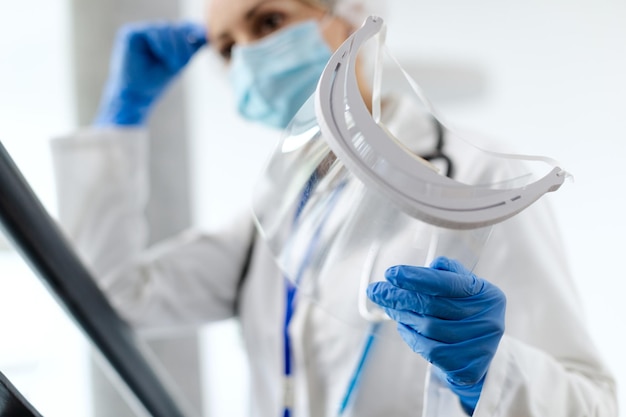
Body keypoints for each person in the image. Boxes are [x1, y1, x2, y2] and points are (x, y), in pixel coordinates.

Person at [50, 0, 618, 416]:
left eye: (268, 22)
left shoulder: (482, 183)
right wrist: (119, 123)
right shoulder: (273, 216)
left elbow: (592, 405)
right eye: (226, 49)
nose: (249, 57)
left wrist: (491, 372)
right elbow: (114, 295)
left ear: (349, 17)